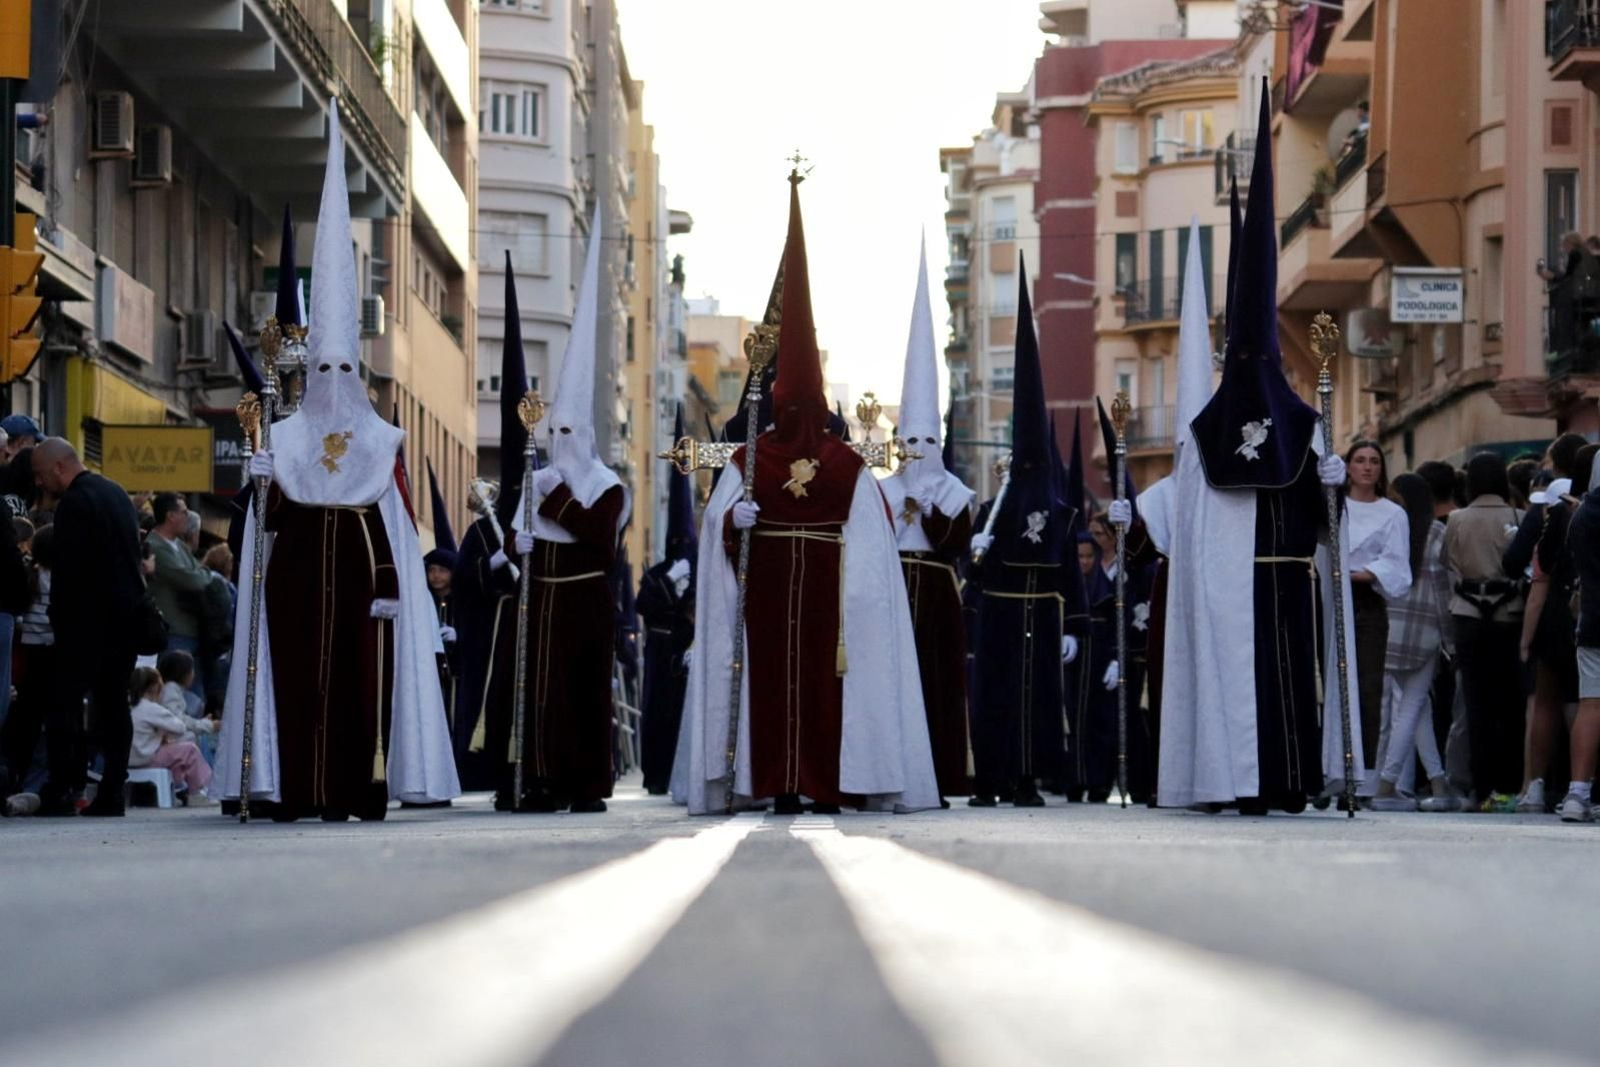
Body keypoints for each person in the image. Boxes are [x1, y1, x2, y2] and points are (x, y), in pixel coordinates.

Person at [212, 105, 459, 821]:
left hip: (358, 583)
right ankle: (284, 788)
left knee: (356, 687)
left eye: (344, 364)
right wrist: (259, 491)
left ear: (361, 368)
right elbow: (269, 521)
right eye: (321, 363)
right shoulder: (283, 437)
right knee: (292, 680)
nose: (331, 374)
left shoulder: (383, 439)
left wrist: (388, 585)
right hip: (291, 581)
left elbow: (390, 524)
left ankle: (353, 789)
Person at [679, 174, 938, 816]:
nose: (794, 414)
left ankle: (829, 781)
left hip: (831, 599)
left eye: (804, 403)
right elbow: (718, 539)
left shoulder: (846, 464)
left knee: (827, 691)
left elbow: (875, 557)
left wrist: (851, 591)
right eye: (787, 403)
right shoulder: (750, 458)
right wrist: (731, 522)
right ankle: (776, 782)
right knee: (769, 689)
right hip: (764, 595)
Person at [1158, 88, 1357, 815]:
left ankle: (1293, 778)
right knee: (1248, 681)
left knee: (1291, 680)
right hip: (1232, 588)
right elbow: (1195, 524)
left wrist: (1331, 482)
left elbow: (1324, 516)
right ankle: (1234, 780)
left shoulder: (1304, 426)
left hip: (1287, 579)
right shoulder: (1211, 434)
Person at [499, 207, 627, 815]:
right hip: (541, 596)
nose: (566, 440)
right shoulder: (537, 475)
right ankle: (537, 780)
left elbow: (601, 541)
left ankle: (585, 784)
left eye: (576, 430)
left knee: (581, 694)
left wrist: (553, 499)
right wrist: (515, 543)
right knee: (536, 692)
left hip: (585, 598)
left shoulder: (607, 484)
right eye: (560, 429)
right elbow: (516, 533)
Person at [967, 264, 1088, 809]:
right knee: (995, 696)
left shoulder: (1060, 512)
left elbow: (1069, 571)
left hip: (1041, 613)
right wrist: (979, 556)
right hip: (998, 616)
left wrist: (1077, 627)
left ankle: (1028, 779)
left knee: (1036, 700)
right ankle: (989, 779)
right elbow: (973, 573)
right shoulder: (992, 513)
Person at [879, 240, 976, 805]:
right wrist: (900, 509)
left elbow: (955, 546)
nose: (918, 450)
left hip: (937, 594)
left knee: (936, 681)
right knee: (893, 678)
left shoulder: (957, 491)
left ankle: (939, 777)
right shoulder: (882, 489)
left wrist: (929, 511)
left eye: (928, 440)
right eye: (909, 440)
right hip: (895, 588)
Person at [29, 438, 142, 816]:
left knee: (64, 706)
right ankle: (111, 791)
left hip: (86, 624)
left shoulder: (75, 504)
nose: (40, 484)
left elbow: (71, 572)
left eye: (42, 476)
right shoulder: (115, 493)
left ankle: (63, 787)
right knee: (114, 705)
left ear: (60, 467)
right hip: (124, 620)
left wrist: (59, 619)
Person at [1443, 452, 1525, 811]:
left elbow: (1449, 561)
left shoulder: (1456, 519)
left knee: (1474, 705)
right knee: (1508, 703)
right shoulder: (1518, 517)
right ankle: (1507, 786)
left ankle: (1479, 788)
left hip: (1468, 615)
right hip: (1509, 613)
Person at [1372, 473, 1455, 811]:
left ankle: (1437, 781)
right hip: (1424, 633)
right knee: (1413, 707)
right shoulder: (1438, 534)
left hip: (1389, 627)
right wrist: (1451, 640)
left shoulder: (1389, 528)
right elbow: (1441, 590)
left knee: (1415, 710)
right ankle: (1386, 785)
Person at [1342, 441, 1412, 797]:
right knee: (1335, 685)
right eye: (1360, 461)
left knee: (1368, 688)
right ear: (1348, 467)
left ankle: (1364, 773)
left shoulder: (1392, 514)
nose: (1367, 467)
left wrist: (1360, 574)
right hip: (1331, 599)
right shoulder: (1335, 506)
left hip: (1368, 603)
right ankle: (1331, 769)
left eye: (1373, 462)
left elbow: (1397, 565)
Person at [637, 407, 697, 796]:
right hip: (660, 652)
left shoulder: (701, 565)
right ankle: (656, 776)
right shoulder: (659, 571)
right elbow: (645, 603)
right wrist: (667, 585)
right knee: (657, 716)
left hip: (687, 652)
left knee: (683, 717)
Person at [145, 492, 216, 699]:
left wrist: (201, 574)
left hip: (192, 631)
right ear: (171, 516)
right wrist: (201, 575)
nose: (188, 516)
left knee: (196, 697)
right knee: (177, 698)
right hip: (173, 631)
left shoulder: (180, 546)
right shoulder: (156, 547)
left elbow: (201, 573)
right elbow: (192, 579)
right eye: (184, 512)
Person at [128, 667, 213, 805]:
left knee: (172, 754)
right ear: (155, 688)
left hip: (128, 760)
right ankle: (197, 792)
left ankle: (177, 792)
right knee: (188, 751)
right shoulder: (151, 708)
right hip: (146, 759)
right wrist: (164, 732)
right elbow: (179, 727)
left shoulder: (130, 706)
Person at [1537, 230, 1599, 357]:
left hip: (1582, 299)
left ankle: (1571, 352)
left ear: (1570, 244)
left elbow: (1568, 277)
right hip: (1591, 299)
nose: (1563, 249)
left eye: (1564, 245)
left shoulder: (1576, 254)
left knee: (1575, 327)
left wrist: (1552, 277)